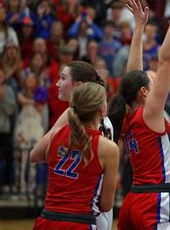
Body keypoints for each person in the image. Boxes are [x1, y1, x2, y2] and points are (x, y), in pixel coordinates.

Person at [107, 0, 170, 229]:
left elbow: (132, 75)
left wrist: (139, 29)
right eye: (151, 83)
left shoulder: (127, 114)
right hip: (155, 200)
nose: (157, 84)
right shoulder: (151, 113)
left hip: (132, 201)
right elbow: (165, 61)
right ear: (143, 92)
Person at [29, 60, 116, 230]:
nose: (57, 83)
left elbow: (35, 155)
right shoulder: (106, 120)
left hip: (76, 213)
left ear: (79, 86)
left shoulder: (69, 117)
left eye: (63, 78)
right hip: (97, 213)